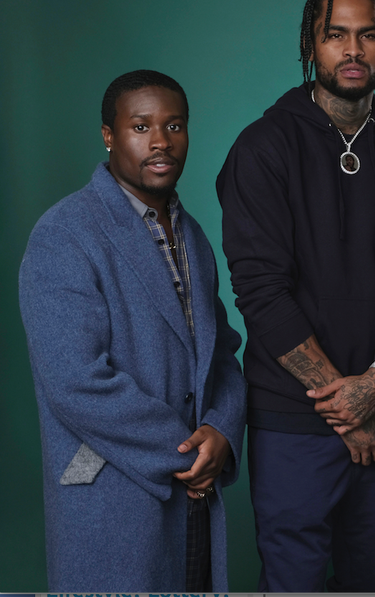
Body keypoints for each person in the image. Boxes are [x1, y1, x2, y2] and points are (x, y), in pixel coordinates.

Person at [216, 0, 375, 592]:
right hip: (294, 422)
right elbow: (261, 291)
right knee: (294, 583)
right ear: (310, 46)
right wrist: (346, 409)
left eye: (368, 35)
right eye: (335, 35)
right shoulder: (263, 149)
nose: (353, 50)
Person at [18, 70, 247, 591]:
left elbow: (224, 357)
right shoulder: (65, 232)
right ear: (108, 135)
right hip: (114, 495)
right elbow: (75, 381)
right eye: (140, 126)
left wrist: (222, 432)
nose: (160, 141)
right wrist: (189, 452)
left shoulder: (193, 235)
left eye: (174, 125)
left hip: (194, 498)